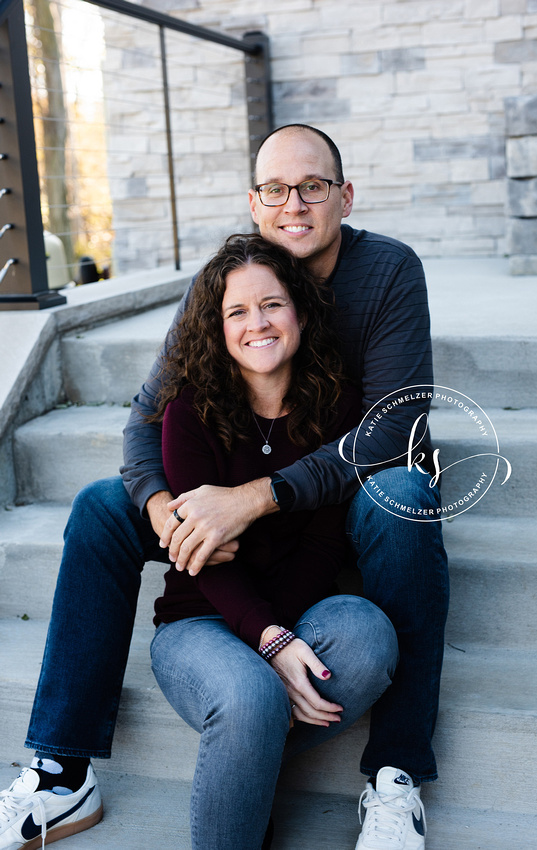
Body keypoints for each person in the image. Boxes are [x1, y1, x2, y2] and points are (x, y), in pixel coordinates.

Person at [0, 124, 449, 850]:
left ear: (344, 195)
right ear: (253, 202)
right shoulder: (232, 283)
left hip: (349, 500)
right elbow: (147, 422)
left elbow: (389, 429)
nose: (293, 204)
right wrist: (168, 512)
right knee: (98, 509)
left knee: (403, 494)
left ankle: (395, 774)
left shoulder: (388, 271)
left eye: (313, 186)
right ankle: (62, 770)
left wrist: (256, 497)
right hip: (231, 527)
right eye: (275, 189)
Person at [149, 232, 398, 849]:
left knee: (368, 635)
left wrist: (279, 639)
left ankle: (246, 741)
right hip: (200, 620)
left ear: (302, 313)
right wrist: (269, 641)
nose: (256, 323)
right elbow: (200, 558)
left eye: (272, 305)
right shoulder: (190, 411)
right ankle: (251, 722)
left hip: (299, 609)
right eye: (237, 311)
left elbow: (322, 545)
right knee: (249, 693)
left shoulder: (339, 407)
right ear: (218, 327)